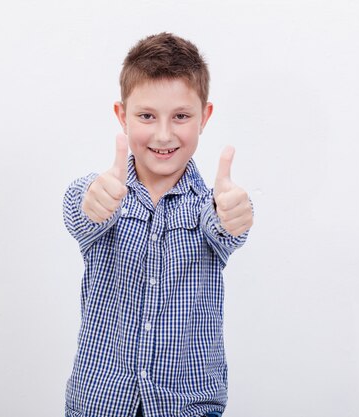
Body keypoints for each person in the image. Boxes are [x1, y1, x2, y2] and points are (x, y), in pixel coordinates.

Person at [63, 32, 254, 417]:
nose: (164, 134)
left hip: (188, 406)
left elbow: (225, 227)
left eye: (181, 116)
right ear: (122, 116)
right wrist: (92, 201)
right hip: (100, 403)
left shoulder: (210, 205)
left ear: (205, 116)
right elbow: (82, 210)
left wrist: (235, 214)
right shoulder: (103, 195)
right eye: (147, 116)